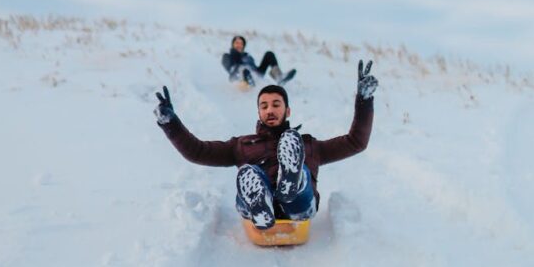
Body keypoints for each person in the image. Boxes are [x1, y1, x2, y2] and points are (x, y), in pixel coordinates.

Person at [153, 60, 378, 228]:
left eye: (276, 104)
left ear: (287, 110)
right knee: (248, 173)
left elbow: (355, 142)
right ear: (259, 112)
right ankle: (260, 203)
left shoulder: (309, 145)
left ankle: (293, 184)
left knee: (293, 144)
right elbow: (197, 152)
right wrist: (171, 123)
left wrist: (365, 100)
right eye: (264, 106)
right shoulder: (242, 145)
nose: (270, 109)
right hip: (255, 210)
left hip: (300, 207)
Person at [221, 34, 296, 87]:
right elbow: (230, 68)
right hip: (238, 74)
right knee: (243, 70)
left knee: (269, 54)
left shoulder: (247, 56)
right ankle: (246, 81)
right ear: (233, 45)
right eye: (237, 43)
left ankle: (279, 77)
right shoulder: (228, 56)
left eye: (241, 43)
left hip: (255, 73)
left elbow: (254, 67)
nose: (239, 45)